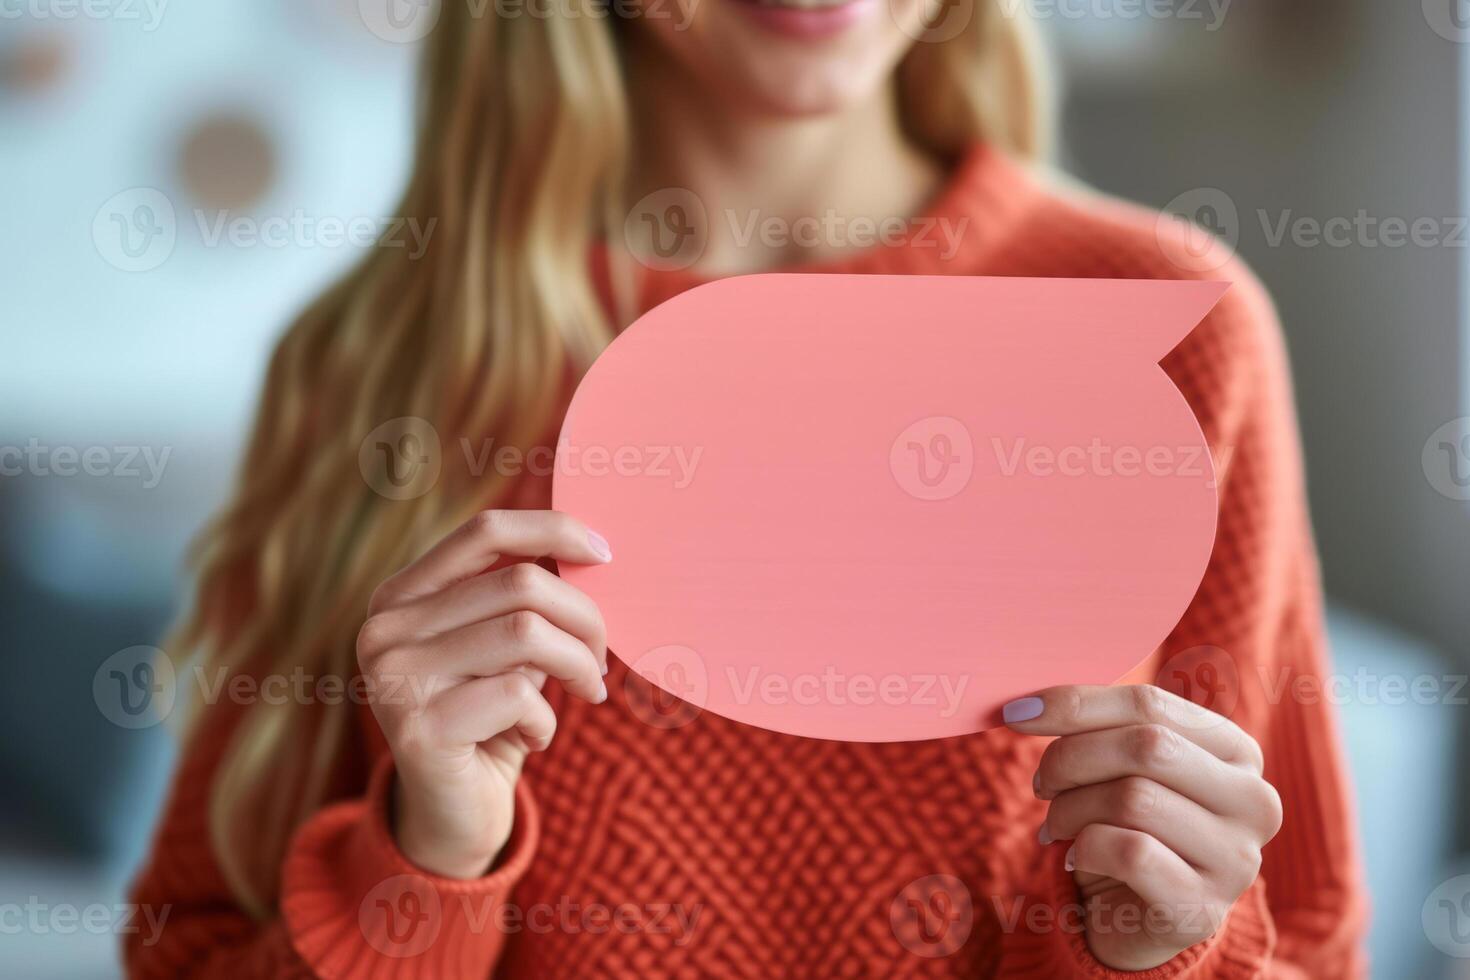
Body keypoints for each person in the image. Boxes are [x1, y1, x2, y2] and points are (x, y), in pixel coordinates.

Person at [126, 0, 1367, 975]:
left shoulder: (1162, 337)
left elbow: (1307, 944)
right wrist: (427, 854)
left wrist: (1159, 951)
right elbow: (189, 957)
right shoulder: (382, 358)